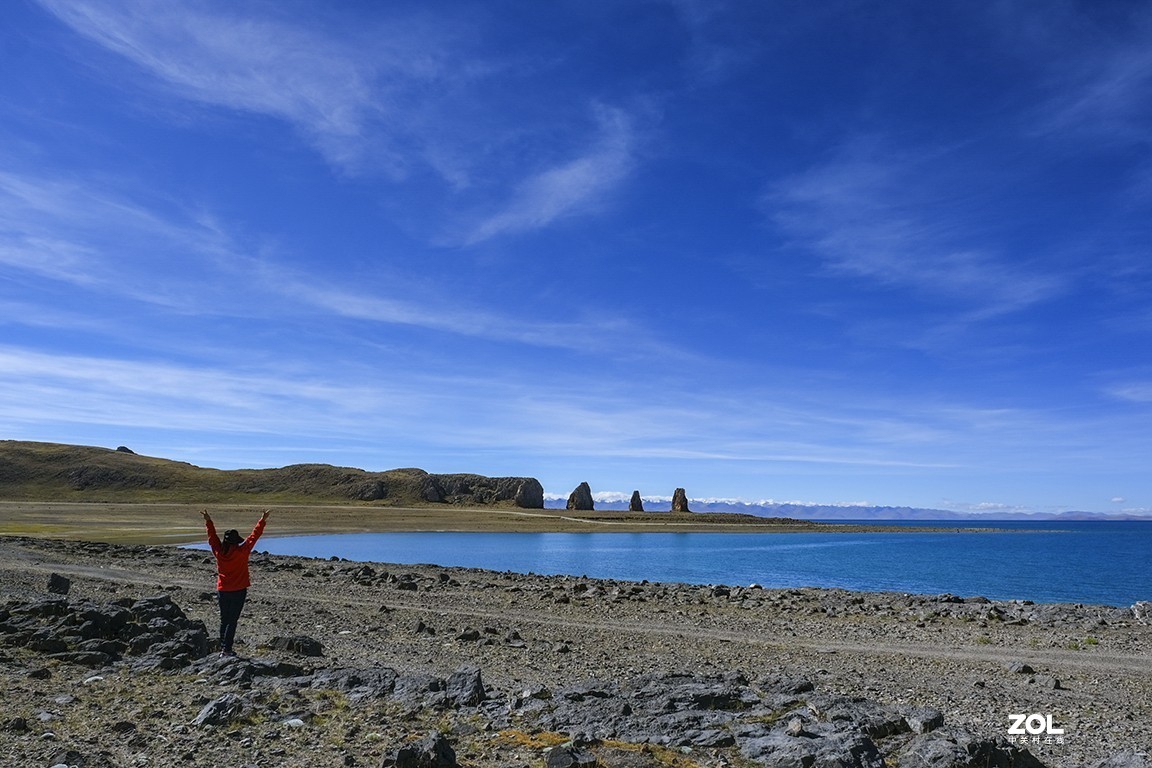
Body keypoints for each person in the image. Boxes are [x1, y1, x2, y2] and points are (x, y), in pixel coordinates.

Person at [201, 509, 268, 657]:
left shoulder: (219, 552)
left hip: (223, 590)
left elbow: (212, 537)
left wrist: (208, 521)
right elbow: (253, 537)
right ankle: (227, 649)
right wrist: (262, 520)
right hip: (238, 590)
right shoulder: (242, 551)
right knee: (232, 620)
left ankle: (223, 648)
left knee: (224, 620)